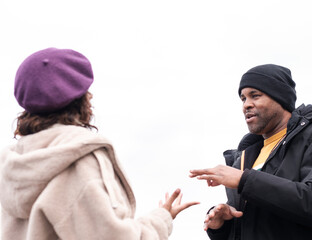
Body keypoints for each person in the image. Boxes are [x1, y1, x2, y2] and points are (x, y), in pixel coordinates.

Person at [0, 48, 199, 240]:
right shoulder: (78, 157)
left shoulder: (10, 165)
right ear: (80, 100)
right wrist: (162, 219)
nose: (91, 96)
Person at [189, 64, 312, 240]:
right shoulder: (244, 158)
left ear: (280, 98)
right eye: (243, 99)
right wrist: (222, 226)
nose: (246, 105)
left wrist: (243, 180)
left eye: (255, 96)